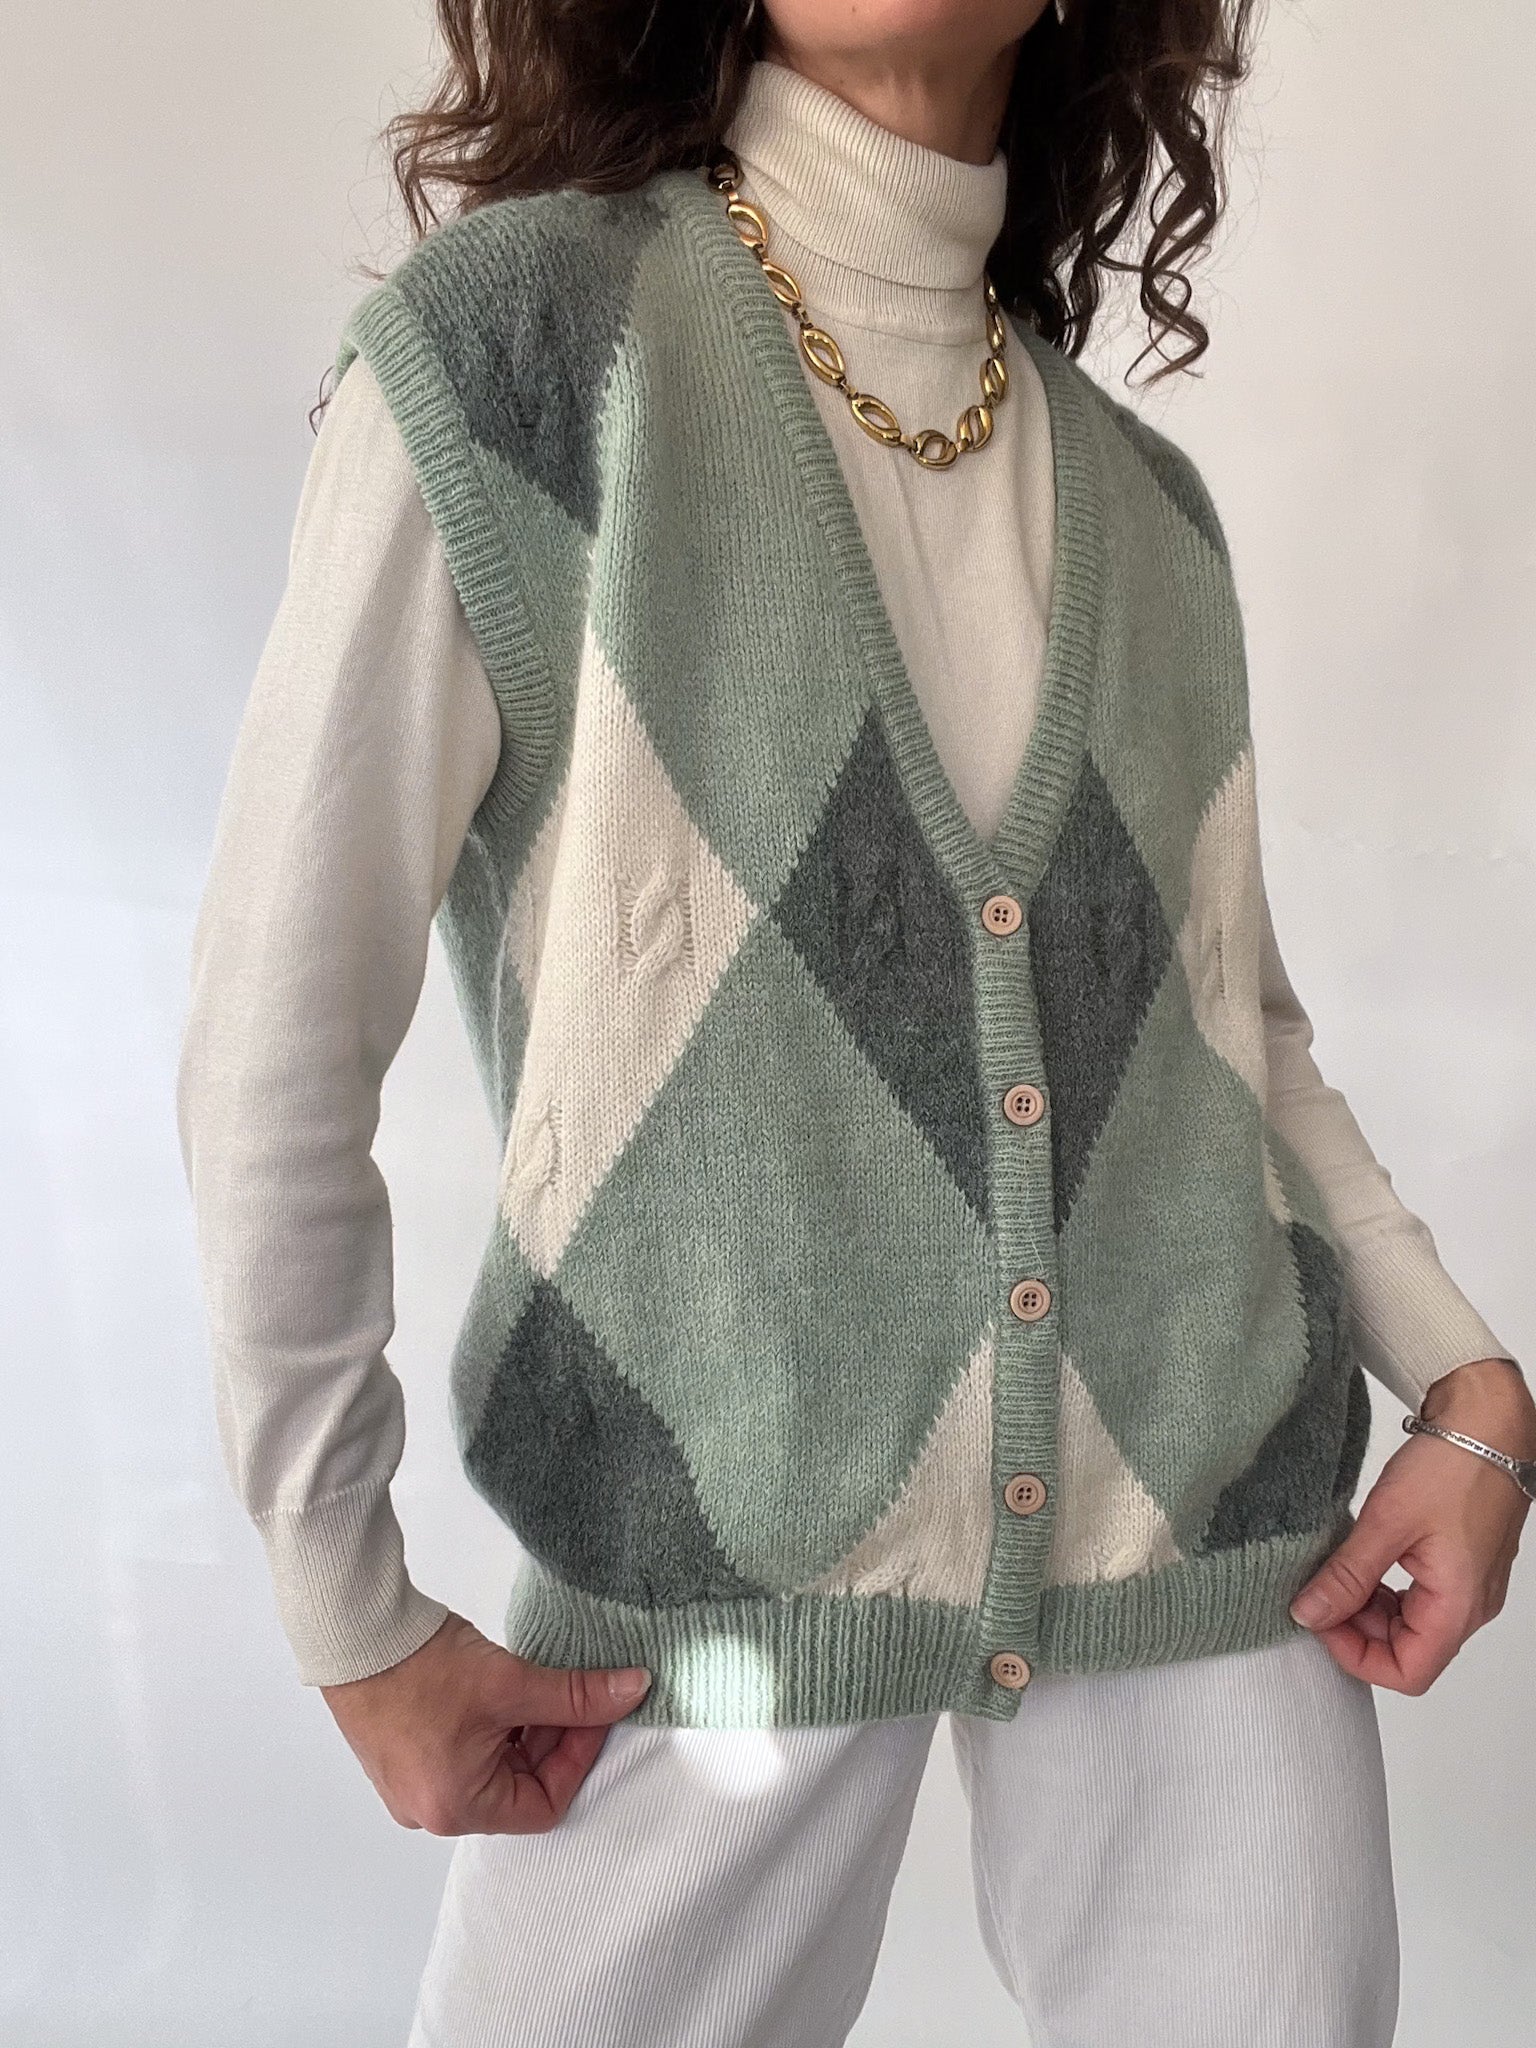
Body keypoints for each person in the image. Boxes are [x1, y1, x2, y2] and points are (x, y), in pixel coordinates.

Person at [176, 3, 1535, 2041]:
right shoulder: (519, 367)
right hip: (693, 1578)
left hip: (1210, 1544)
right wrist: (343, 1603)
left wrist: (1470, 1387)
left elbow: (1234, 1040)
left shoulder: (1148, 511)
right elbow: (272, 1042)